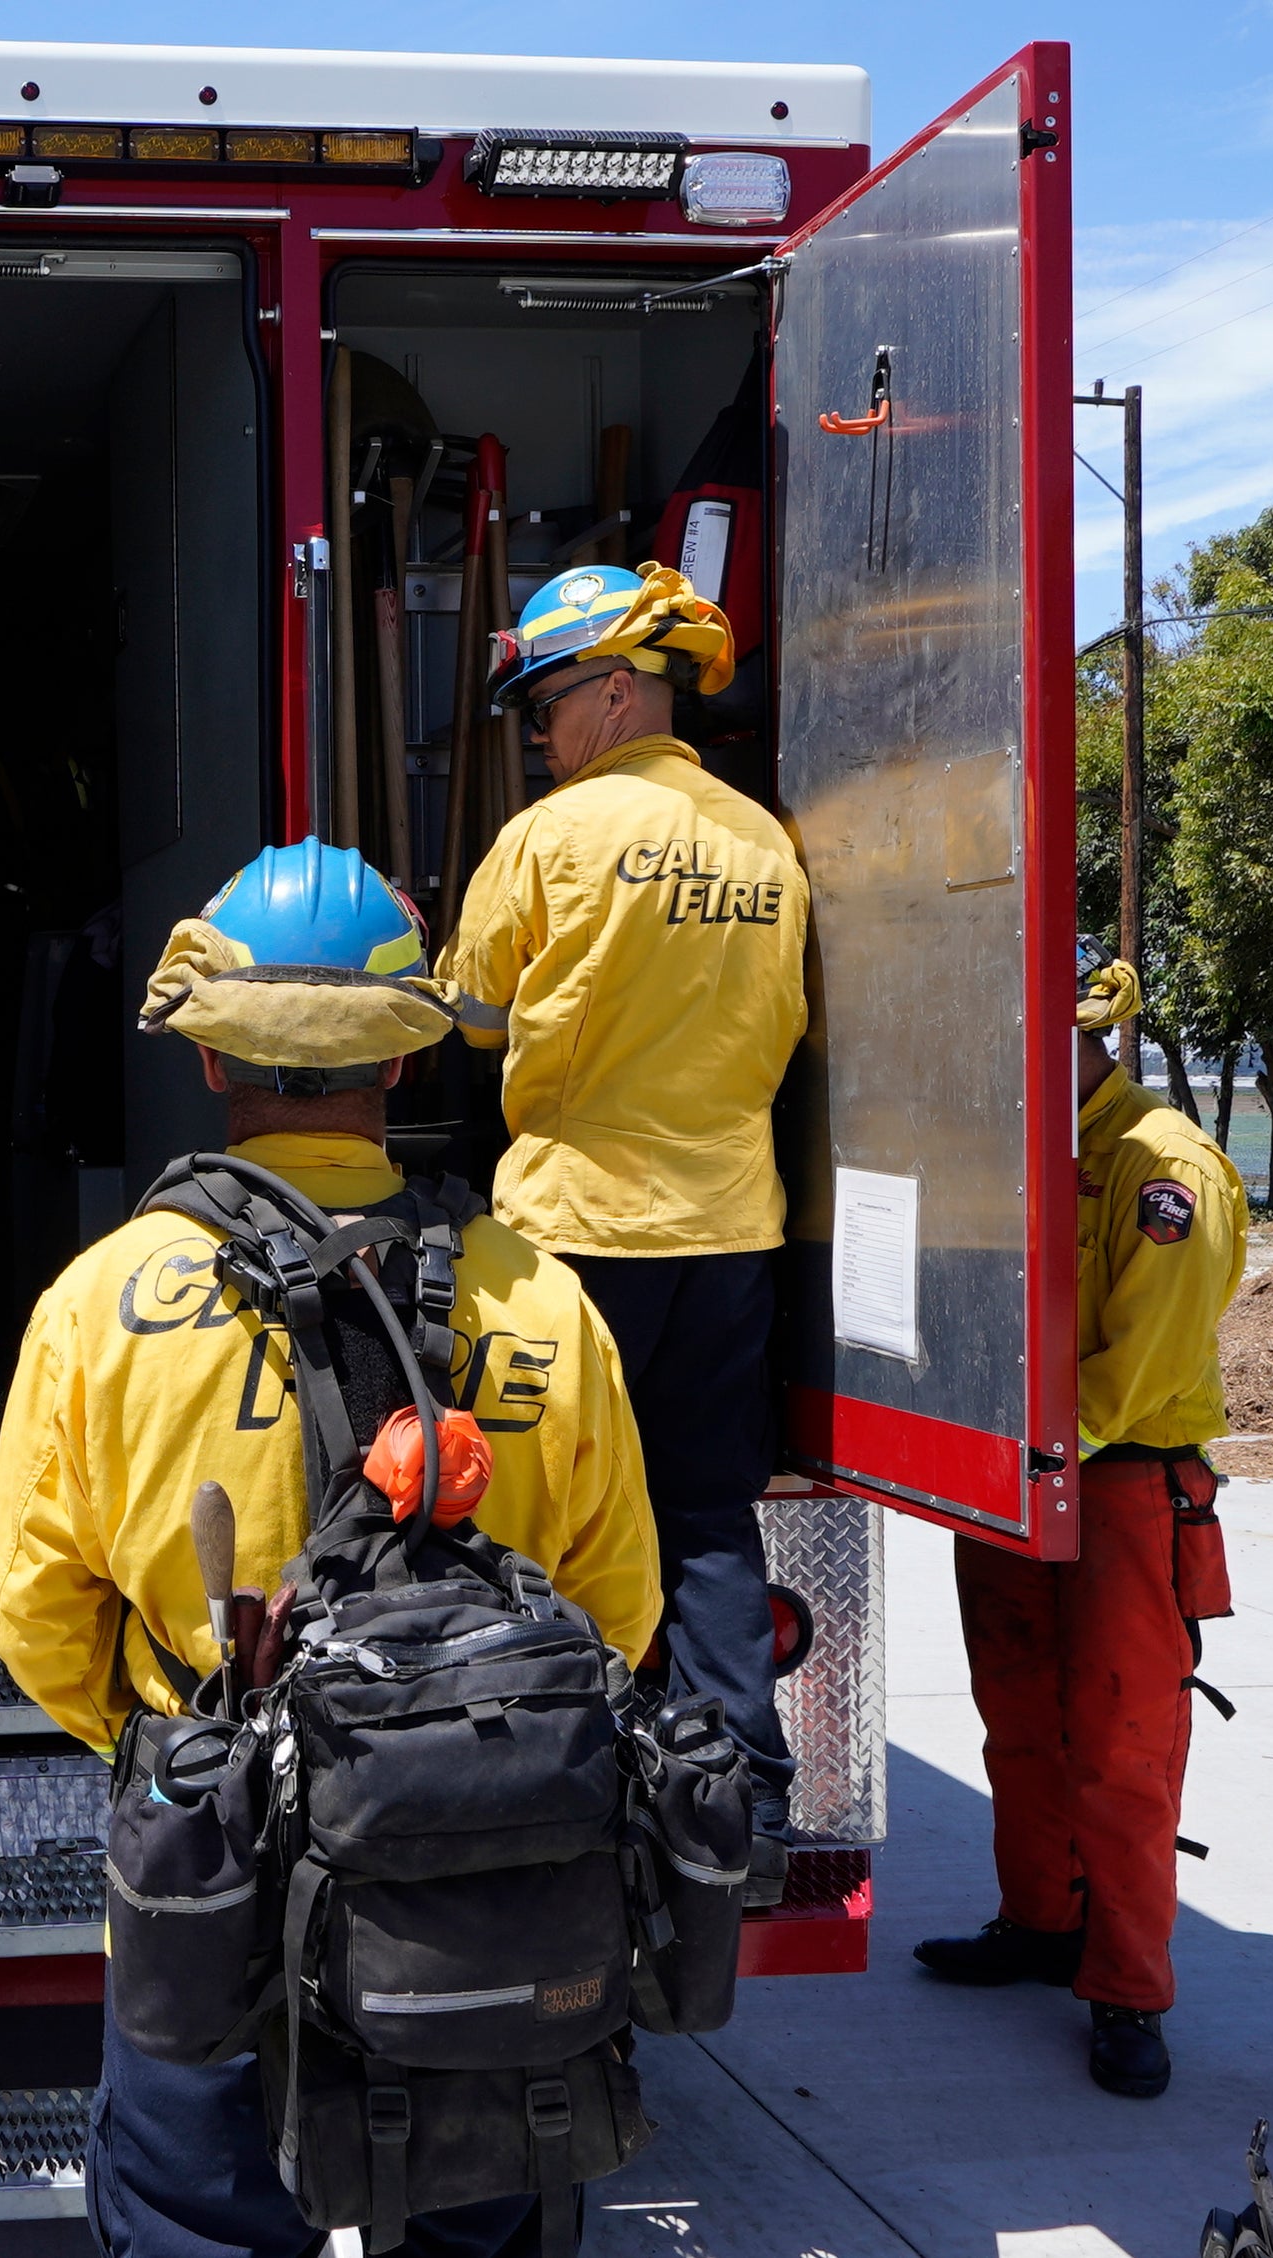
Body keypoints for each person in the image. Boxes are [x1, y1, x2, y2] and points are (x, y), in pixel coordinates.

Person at [0, 840, 661, 2258]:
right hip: (475, 1894)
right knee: (484, 2217)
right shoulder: (542, 1301)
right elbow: (618, 1611)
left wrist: (171, 1737)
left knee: (194, 2221)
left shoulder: (96, 1302)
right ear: (404, 1062)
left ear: (215, 1060)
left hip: (212, 1876)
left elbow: (31, 1603)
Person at [438, 562, 807, 1889]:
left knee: (532, 1518)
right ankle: (741, 1809)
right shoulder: (767, 841)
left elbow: (471, 1020)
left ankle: (535, 1789)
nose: (537, 734)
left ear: (613, 688)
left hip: (575, 1241)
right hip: (727, 1236)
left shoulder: (549, 837)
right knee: (706, 1514)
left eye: (544, 704)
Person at [915, 943, 1247, 2101]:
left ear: (1089, 1036)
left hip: (1114, 1482)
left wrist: (1040, 1459)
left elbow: (1144, 1359)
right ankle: (1040, 1922)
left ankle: (1127, 1989)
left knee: (1122, 1747)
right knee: (1016, 1710)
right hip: (1017, 1475)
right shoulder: (1011, 1149)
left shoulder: (1166, 1167)